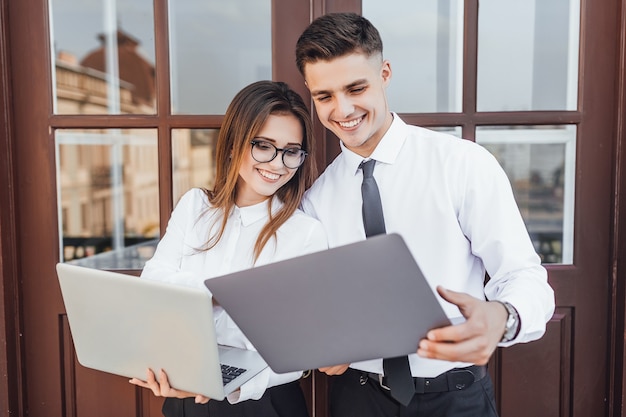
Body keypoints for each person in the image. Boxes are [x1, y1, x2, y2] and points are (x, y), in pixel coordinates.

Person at [295, 12, 555, 417]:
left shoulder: (462, 164)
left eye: (356, 87)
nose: (342, 109)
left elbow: (524, 276)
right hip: (356, 398)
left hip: (455, 396)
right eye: (324, 96)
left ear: (385, 73)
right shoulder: (315, 200)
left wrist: (501, 317)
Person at [129, 80, 327, 417]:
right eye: (263, 146)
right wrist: (224, 293)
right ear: (235, 144)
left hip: (261, 403)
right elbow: (154, 284)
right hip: (181, 393)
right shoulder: (195, 206)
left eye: (291, 151)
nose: (277, 164)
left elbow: (297, 350)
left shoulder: (305, 233)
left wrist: (226, 384)